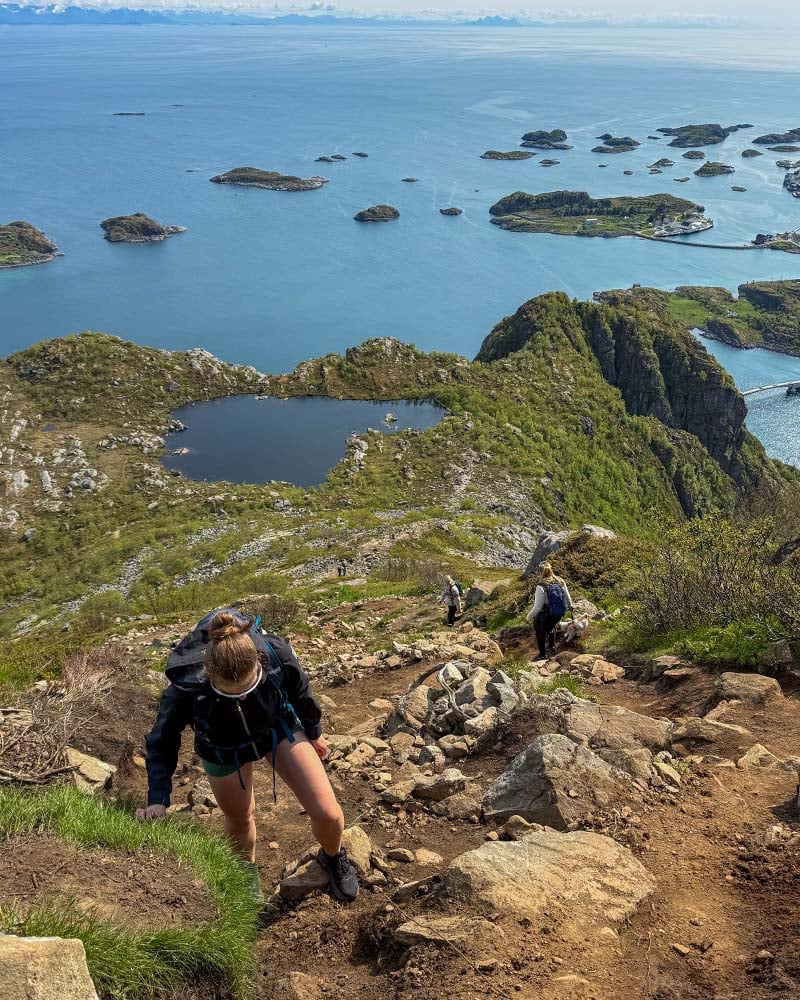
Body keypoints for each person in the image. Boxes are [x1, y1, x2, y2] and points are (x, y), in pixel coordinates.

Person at [136, 608, 359, 904]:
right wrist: (158, 799)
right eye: (231, 693)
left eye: (251, 686)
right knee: (240, 818)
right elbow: (162, 740)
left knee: (328, 812)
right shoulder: (186, 688)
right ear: (209, 676)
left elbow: (299, 689)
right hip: (221, 746)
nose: (242, 696)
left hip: (276, 728)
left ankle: (333, 855)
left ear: (258, 662)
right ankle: (245, 874)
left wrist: (314, 731)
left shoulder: (275, 653)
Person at [525, 561, 573, 660]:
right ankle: (551, 648)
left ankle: (542, 654)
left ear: (540, 572)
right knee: (551, 627)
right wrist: (571, 606)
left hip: (547, 613)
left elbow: (537, 607)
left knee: (540, 631)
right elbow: (568, 597)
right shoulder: (560, 581)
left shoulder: (541, 586)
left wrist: (528, 617)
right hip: (559, 612)